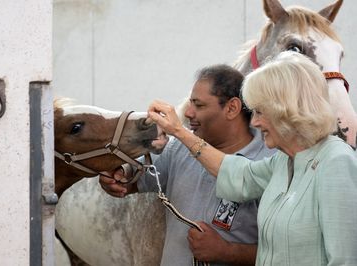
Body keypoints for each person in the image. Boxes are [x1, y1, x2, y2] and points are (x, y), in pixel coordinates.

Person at [147, 52, 357, 265]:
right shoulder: (284, 162)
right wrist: (180, 132)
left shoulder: (336, 162)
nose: (254, 122)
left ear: (287, 109)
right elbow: (237, 175)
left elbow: (345, 259)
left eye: (259, 111)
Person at [99, 64, 275, 265]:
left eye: (199, 106)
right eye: (191, 103)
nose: (188, 113)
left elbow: (286, 254)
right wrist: (118, 174)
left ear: (232, 108)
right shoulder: (179, 149)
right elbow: (132, 179)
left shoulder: (270, 162)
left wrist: (227, 252)